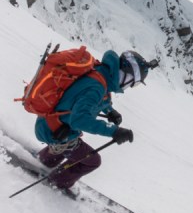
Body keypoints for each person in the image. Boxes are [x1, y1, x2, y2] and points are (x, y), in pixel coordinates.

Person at [35, 49, 155, 195]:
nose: (129, 87)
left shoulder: (101, 73)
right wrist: (114, 131)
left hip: (52, 124)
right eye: (133, 83)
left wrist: (110, 111)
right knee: (92, 161)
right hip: (55, 130)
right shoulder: (97, 87)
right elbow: (79, 120)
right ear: (127, 75)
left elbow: (93, 99)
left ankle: (45, 161)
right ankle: (57, 182)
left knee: (73, 142)